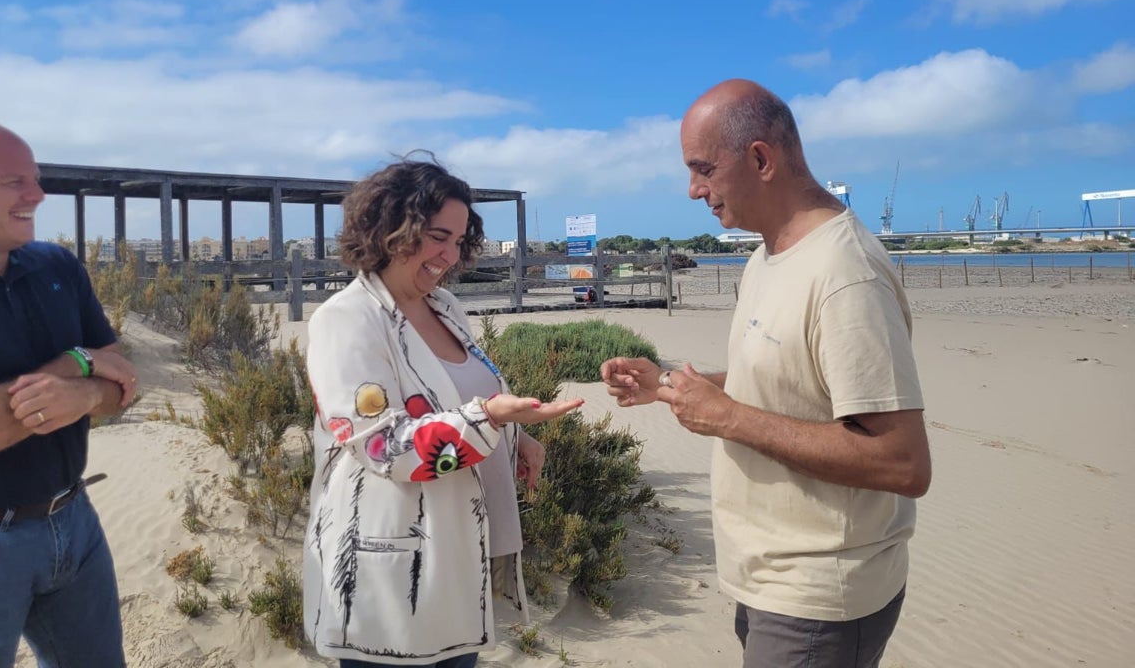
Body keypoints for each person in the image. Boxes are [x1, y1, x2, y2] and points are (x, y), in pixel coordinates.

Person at [601, 80, 931, 668]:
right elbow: (788, 385)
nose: (693, 190)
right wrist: (670, 383)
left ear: (760, 158)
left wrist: (728, 419)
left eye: (703, 169)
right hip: (767, 579)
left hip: (819, 596)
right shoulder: (767, 253)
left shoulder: (845, 273)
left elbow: (901, 461)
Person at [303, 155, 584, 667]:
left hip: (456, 561)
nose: (449, 255)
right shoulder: (345, 320)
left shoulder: (446, 307)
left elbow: (456, 399)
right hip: (387, 575)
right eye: (437, 236)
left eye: (458, 241)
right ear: (389, 228)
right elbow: (384, 447)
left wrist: (517, 440)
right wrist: (491, 421)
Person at [0, 117, 138, 668]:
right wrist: (77, 366)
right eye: (13, 182)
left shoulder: (56, 265)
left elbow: (123, 381)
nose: (38, 194)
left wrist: (88, 395)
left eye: (36, 177)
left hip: (73, 520)